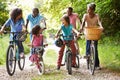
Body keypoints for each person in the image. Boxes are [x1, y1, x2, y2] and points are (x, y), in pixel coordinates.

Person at [80, 3, 104, 69]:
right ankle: (88, 57)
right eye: (87, 9)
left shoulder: (96, 15)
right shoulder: (85, 15)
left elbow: (99, 22)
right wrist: (81, 28)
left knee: (95, 49)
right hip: (88, 31)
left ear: (93, 10)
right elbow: (83, 23)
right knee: (88, 44)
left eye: (89, 9)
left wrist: (101, 26)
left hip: (95, 32)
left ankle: (97, 65)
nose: (88, 11)